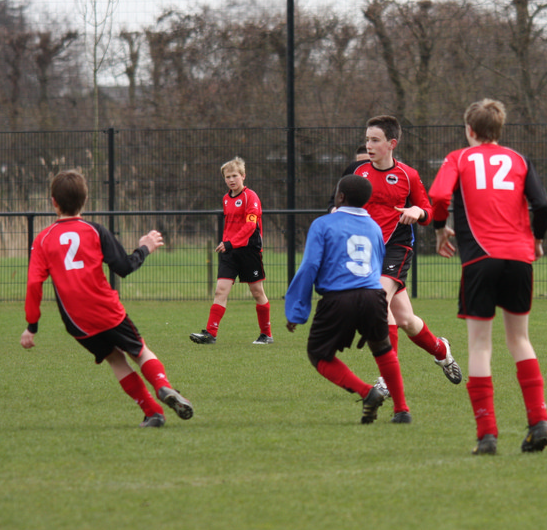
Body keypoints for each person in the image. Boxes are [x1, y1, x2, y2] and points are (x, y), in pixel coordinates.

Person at [22, 170, 194, 427]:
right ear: (85, 200)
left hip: (76, 322)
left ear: (53, 202)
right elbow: (124, 267)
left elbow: (34, 284)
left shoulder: (43, 239)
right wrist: (145, 247)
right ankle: (162, 386)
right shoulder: (95, 231)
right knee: (140, 351)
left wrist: (32, 326)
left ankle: (153, 412)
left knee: (115, 359)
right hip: (107, 310)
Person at [429, 99, 547, 455]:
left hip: (480, 260)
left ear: (469, 130)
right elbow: (543, 205)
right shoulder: (519, 160)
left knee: (480, 346)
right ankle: (538, 421)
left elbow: (438, 195)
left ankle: (487, 435)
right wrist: (537, 240)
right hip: (519, 259)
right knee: (520, 340)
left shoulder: (459, 158)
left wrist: (440, 230)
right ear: (500, 129)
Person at [336, 115, 461, 395]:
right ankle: (441, 350)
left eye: (375, 140)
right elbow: (335, 205)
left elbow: (427, 210)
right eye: (367, 139)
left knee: (379, 302)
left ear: (392, 144)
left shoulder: (408, 175)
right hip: (366, 251)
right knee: (405, 320)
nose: (369, 145)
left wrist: (417, 211)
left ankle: (387, 379)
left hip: (397, 248)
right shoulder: (355, 172)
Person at [285, 175, 411, 424]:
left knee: (318, 354)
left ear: (340, 197)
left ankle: (367, 392)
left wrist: (297, 310)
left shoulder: (323, 224)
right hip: (373, 296)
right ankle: (402, 410)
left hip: (338, 298)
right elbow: (377, 263)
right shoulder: (374, 227)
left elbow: (309, 266)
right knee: (383, 350)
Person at [190, 157, 273, 345]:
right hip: (230, 251)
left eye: (235, 175)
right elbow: (230, 226)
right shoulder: (226, 199)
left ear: (243, 176)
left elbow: (250, 226)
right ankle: (210, 334)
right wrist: (227, 243)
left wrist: (231, 243)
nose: (231, 180)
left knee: (257, 292)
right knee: (220, 290)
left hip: (249, 251)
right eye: (228, 177)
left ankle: (266, 334)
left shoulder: (250, 197)